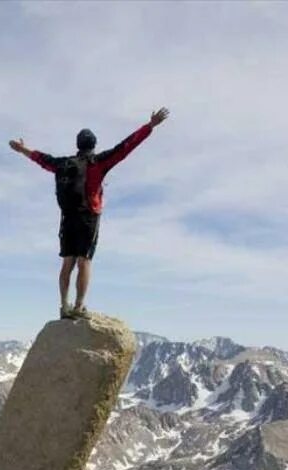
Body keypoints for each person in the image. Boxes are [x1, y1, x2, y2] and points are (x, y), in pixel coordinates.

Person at [9, 107, 170, 320]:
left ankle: (64, 307)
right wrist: (149, 126)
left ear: (77, 145)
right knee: (84, 260)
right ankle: (78, 306)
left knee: (68, 262)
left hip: (67, 217)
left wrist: (22, 149)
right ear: (93, 145)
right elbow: (126, 146)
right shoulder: (98, 162)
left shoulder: (62, 164)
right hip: (88, 217)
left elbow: (40, 158)